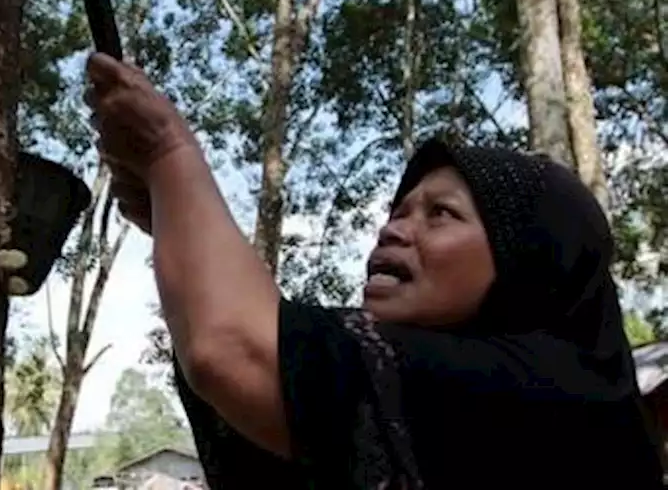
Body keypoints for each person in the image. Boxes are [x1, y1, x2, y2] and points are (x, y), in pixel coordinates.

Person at [84, 52, 666, 488]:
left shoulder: (554, 400)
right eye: (398, 211)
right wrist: (180, 222)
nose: (394, 228)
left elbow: (239, 351)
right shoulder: (500, 390)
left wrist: (167, 152)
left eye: (440, 214)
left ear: (529, 266)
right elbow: (284, 392)